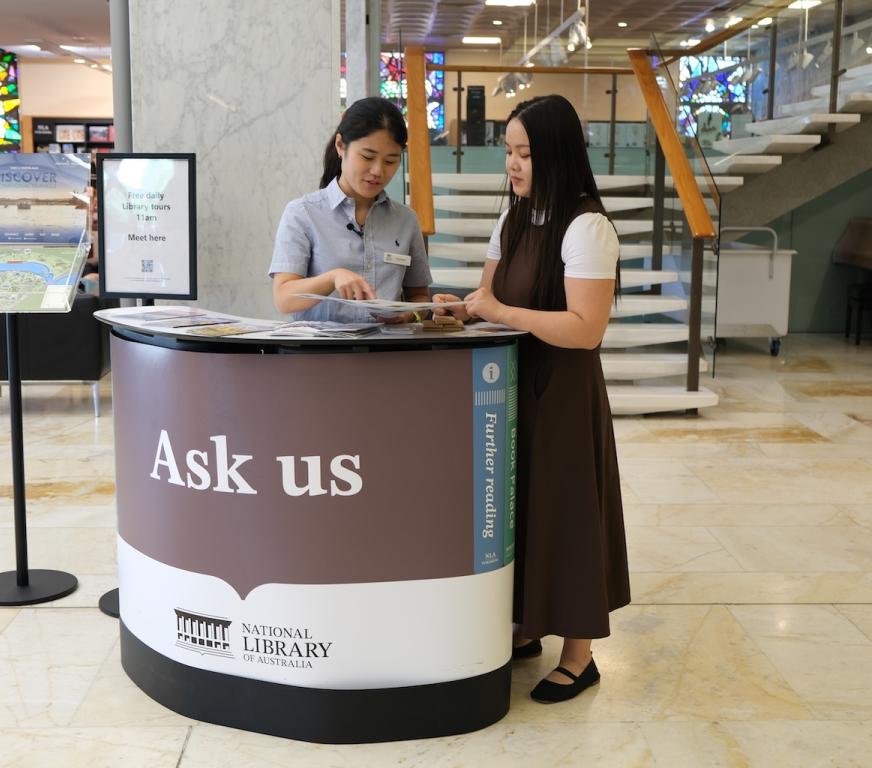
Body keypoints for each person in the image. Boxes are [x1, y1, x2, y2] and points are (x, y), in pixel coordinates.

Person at [434, 94, 630, 704]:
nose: (512, 165)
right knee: (519, 509)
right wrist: (463, 311)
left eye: (525, 153)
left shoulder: (587, 225)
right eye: (510, 152)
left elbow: (585, 328)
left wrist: (496, 311)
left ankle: (580, 655)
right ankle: (525, 626)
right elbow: (488, 296)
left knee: (568, 513)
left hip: (564, 391)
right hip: (516, 386)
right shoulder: (513, 217)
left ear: (557, 156)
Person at [270, 97, 431, 324]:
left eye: (391, 161)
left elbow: (419, 297)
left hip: (388, 352)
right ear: (340, 146)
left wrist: (410, 314)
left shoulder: (406, 220)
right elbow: (284, 298)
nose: (377, 171)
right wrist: (332, 278)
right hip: (320, 354)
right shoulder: (303, 213)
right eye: (367, 157)